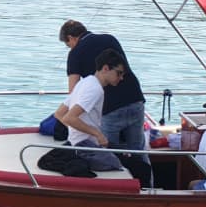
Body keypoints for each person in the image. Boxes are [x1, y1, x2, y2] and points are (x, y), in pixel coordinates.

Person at [60, 19, 146, 155]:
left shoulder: (75, 53)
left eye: (68, 44)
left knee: (108, 154)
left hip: (110, 107)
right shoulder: (110, 38)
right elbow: (123, 68)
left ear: (70, 38)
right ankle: (146, 176)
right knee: (138, 152)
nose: (69, 47)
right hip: (135, 99)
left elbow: (73, 91)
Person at [54, 48, 128, 172]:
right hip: (84, 145)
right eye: (119, 73)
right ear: (105, 68)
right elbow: (69, 118)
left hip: (76, 142)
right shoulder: (95, 89)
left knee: (125, 155)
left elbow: (59, 113)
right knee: (123, 164)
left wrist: (76, 131)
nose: (121, 78)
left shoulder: (84, 82)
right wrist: (97, 134)